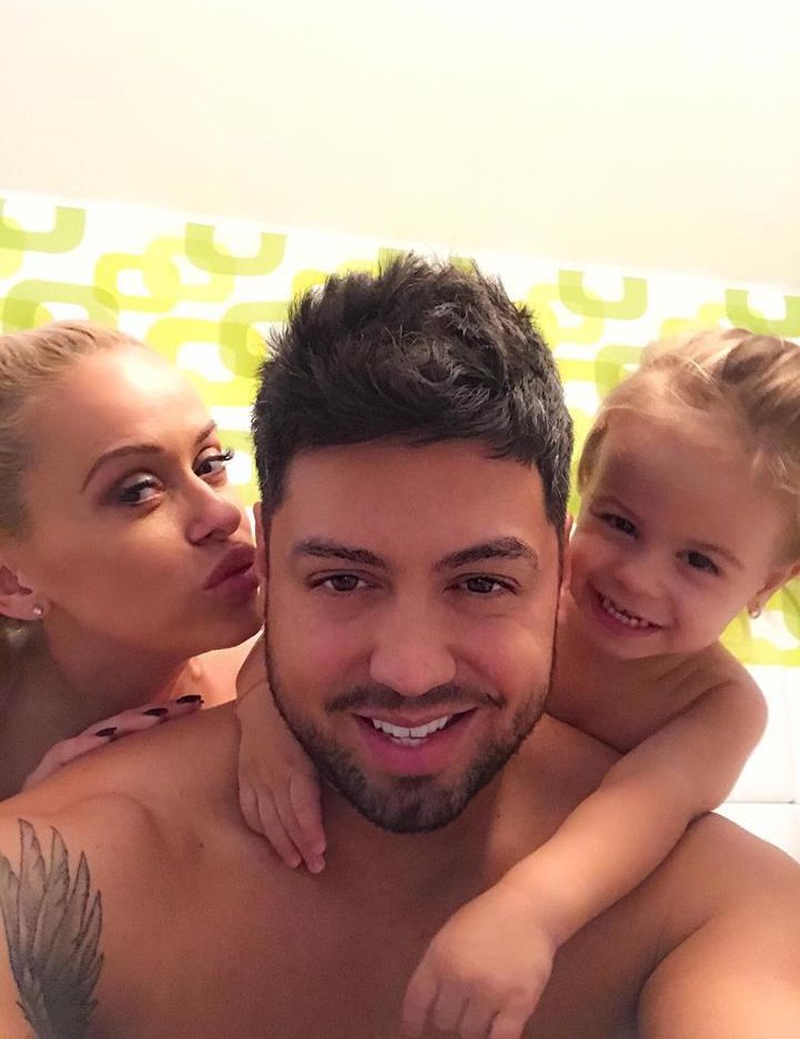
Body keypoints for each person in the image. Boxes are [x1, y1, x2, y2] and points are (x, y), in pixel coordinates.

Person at [0, 256, 798, 1039]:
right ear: (268, 563)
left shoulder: (716, 896)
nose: (411, 672)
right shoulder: (63, 849)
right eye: (343, 580)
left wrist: (530, 912)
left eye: (482, 582)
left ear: (555, 564)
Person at [236, 324, 800, 1037]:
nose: (638, 577)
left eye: (699, 562)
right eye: (620, 524)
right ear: (576, 501)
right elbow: (288, 649)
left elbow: (641, 807)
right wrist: (261, 719)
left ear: (767, 584)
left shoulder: (718, 705)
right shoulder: (518, 597)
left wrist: (527, 914)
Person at [0, 321, 261, 798]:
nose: (222, 515)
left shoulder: (290, 678)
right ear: (10, 582)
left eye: (210, 464)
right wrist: (31, 824)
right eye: (138, 490)